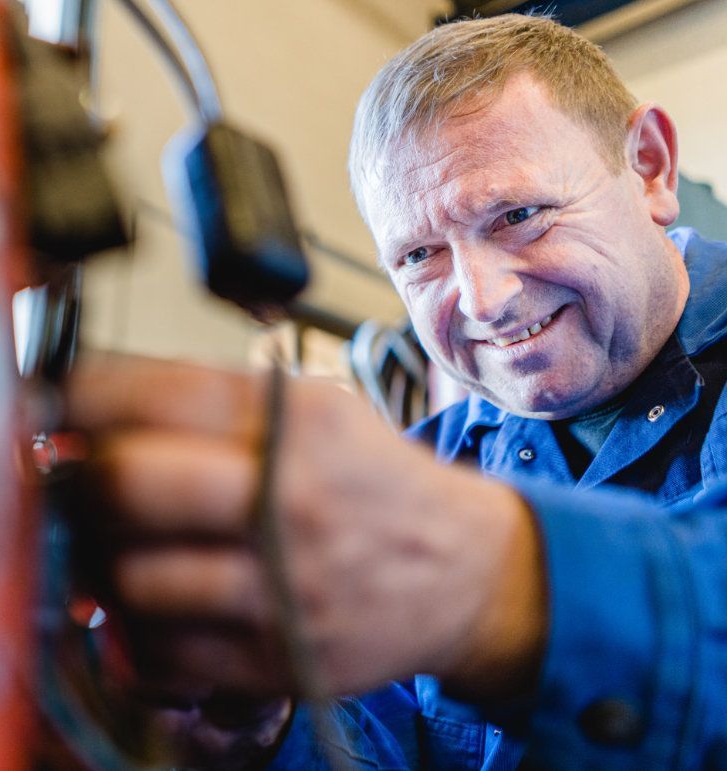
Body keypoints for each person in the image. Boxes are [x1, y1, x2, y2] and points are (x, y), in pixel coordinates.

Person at [62, 13, 727, 769]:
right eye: (419, 255)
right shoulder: (430, 464)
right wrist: (266, 729)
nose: (483, 300)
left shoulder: (419, 515)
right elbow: (388, 744)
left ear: (649, 168)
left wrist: (492, 582)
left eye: (519, 216)